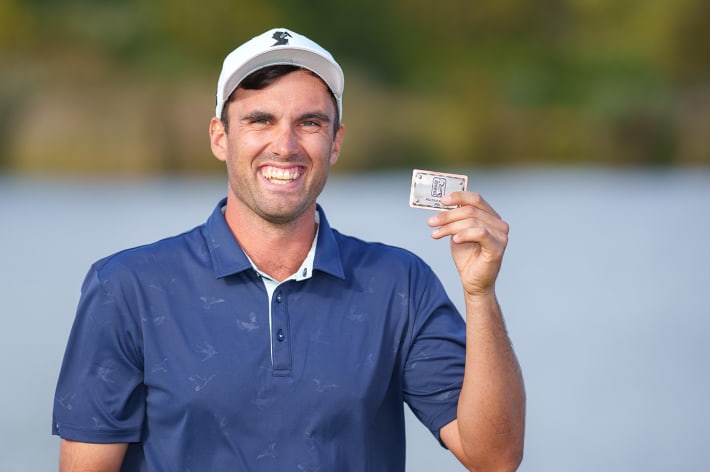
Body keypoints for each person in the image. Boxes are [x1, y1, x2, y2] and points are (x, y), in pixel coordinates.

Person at [52, 27, 525, 471]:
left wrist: (480, 294)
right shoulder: (125, 288)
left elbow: (494, 457)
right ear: (221, 137)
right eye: (260, 120)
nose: (285, 145)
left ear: (335, 142)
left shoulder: (399, 282)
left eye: (310, 123)